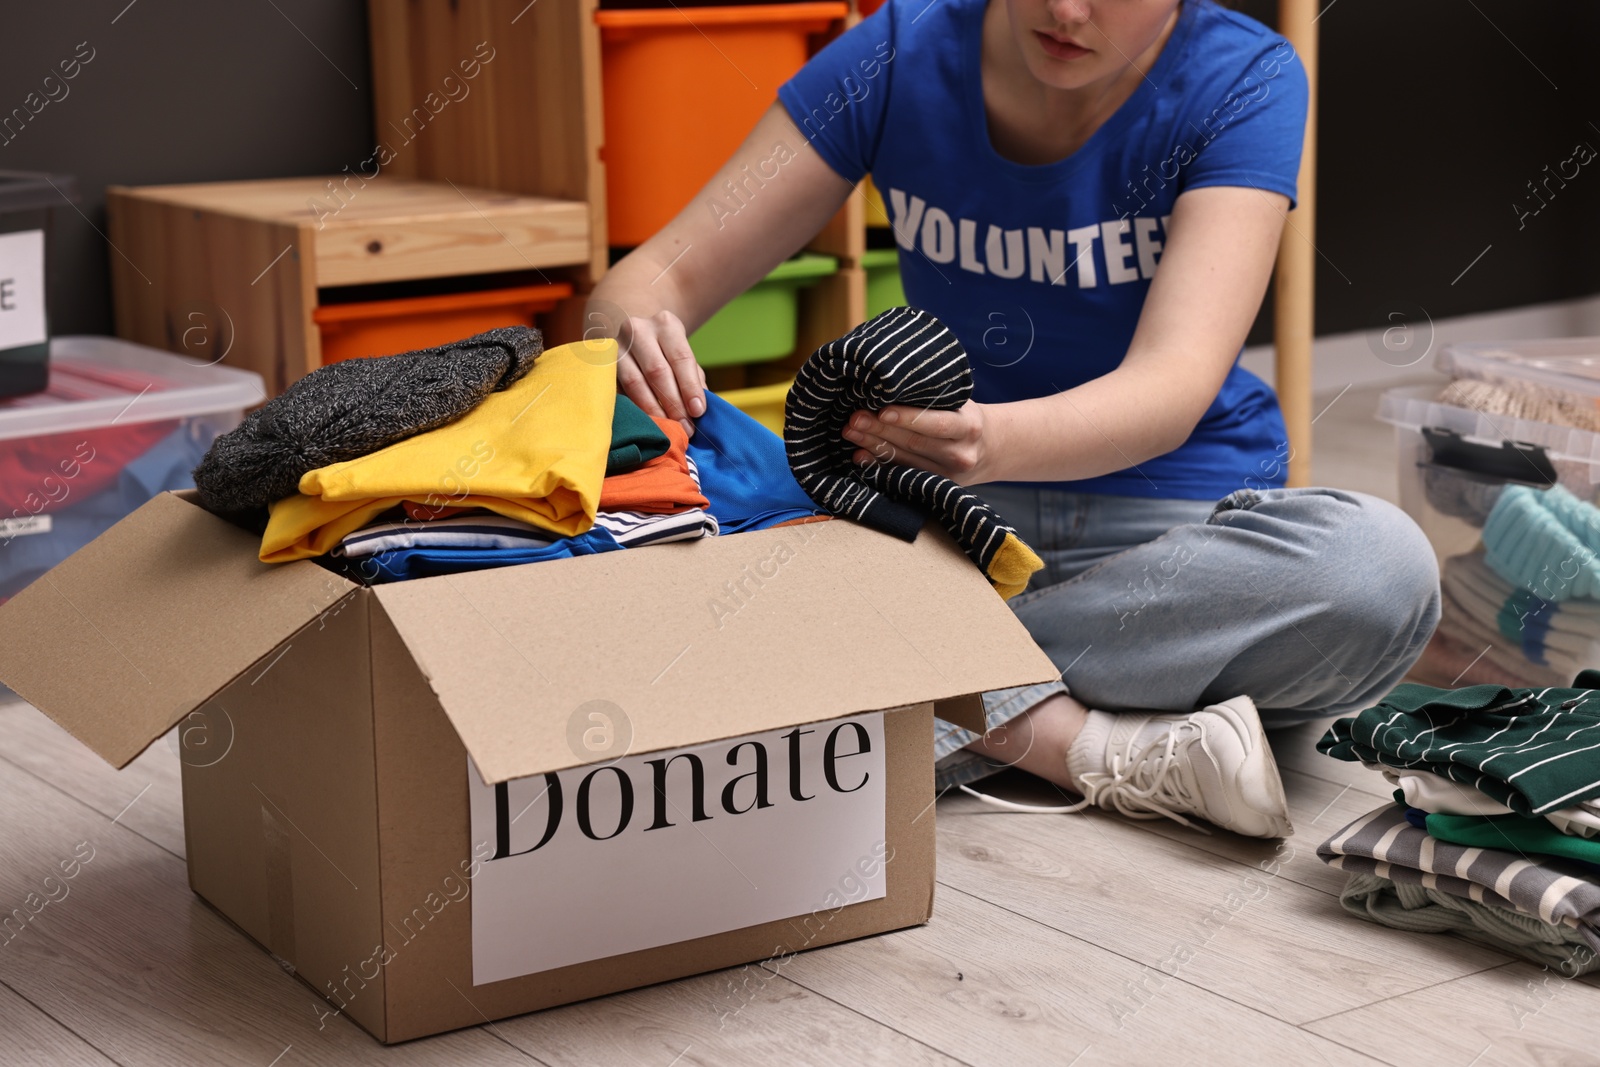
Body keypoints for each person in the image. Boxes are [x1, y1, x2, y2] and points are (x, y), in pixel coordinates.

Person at [587, 0, 1439, 838]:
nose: (1068, 10)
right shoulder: (898, 48)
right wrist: (630, 335)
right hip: (944, 529)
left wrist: (987, 441)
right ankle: (1084, 740)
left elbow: (1171, 388)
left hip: (1175, 540)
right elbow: (654, 277)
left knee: (1379, 573)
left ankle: (901, 684)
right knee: (672, 490)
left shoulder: (1245, 76)